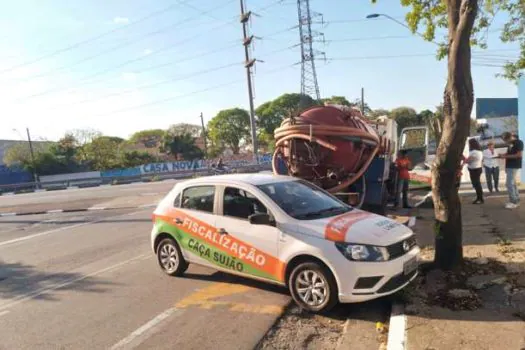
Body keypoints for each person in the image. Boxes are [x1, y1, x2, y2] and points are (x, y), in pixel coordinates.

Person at [498, 132, 523, 209]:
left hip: (514, 165)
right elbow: (509, 153)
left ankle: (513, 202)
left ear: (510, 137)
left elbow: (519, 155)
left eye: (506, 140)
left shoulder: (519, 142)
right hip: (509, 166)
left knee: (509, 184)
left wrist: (505, 156)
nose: (505, 142)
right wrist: (503, 155)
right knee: (513, 184)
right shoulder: (511, 143)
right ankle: (516, 199)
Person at [467, 138, 484, 204]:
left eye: (469, 144)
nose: (468, 145)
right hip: (477, 168)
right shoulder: (479, 151)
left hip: (474, 169)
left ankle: (480, 198)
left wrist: (465, 160)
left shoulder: (474, 152)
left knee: (476, 184)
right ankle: (479, 197)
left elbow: (469, 160)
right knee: (477, 184)